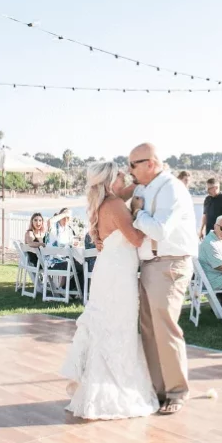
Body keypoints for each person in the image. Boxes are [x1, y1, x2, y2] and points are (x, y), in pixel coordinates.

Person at [59, 161, 160, 420]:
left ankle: (97, 390)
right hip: (119, 276)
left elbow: (124, 193)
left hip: (107, 272)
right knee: (120, 328)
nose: (124, 179)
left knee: (105, 327)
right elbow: (137, 239)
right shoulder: (115, 205)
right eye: (120, 176)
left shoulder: (104, 203)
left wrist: (137, 184)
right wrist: (138, 212)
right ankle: (115, 392)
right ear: (109, 181)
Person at [119, 142, 198, 415]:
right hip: (149, 264)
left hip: (169, 264)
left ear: (150, 163)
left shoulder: (172, 189)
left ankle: (177, 391)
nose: (129, 170)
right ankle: (158, 389)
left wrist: (138, 213)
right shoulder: (143, 187)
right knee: (149, 330)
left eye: (133, 164)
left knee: (165, 327)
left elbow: (161, 230)